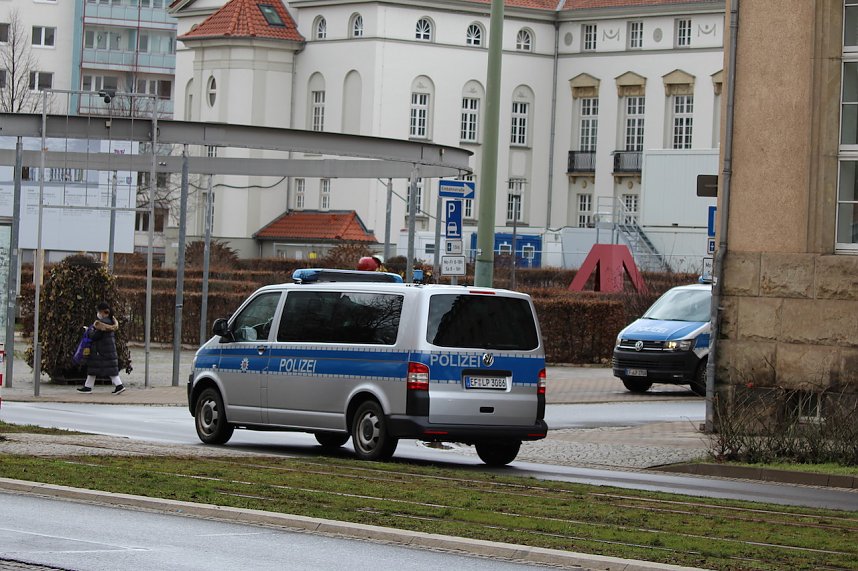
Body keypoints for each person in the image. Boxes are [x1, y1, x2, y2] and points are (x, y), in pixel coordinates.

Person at [76, 302, 125, 394]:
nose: (98, 314)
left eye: (99, 311)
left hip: (101, 351)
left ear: (103, 312)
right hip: (107, 350)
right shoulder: (111, 321)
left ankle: (119, 386)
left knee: (100, 368)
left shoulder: (102, 324)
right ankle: (88, 387)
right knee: (101, 368)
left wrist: (88, 331)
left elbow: (95, 336)